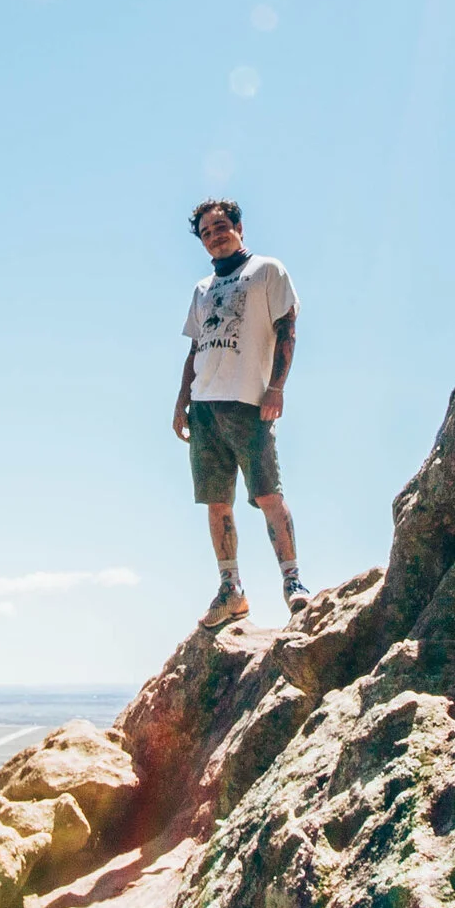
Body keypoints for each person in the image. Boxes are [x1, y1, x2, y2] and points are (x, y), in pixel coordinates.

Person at [173, 196, 306, 622]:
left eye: (221, 226)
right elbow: (196, 349)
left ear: (239, 228)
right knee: (216, 501)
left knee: (268, 493)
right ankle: (231, 590)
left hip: (249, 402)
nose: (215, 235)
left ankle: (293, 582)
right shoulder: (202, 289)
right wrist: (182, 402)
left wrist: (277, 387)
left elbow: (287, 330)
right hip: (205, 408)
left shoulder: (266, 271)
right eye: (207, 232)